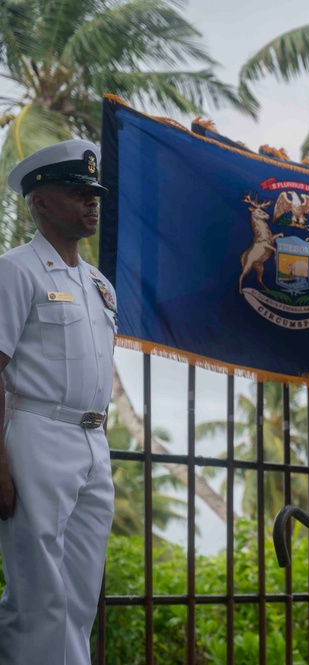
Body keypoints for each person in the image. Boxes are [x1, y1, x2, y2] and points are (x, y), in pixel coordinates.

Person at [0, 139, 117, 664]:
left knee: (79, 595)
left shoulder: (97, 283)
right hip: (38, 434)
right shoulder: (15, 270)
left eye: (93, 193)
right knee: (38, 595)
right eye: (76, 192)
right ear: (40, 201)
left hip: (93, 440)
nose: (91, 202)